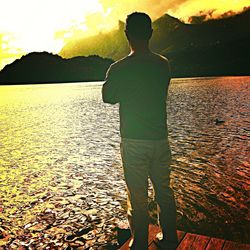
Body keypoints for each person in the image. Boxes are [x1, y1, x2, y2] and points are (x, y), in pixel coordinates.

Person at [102, 12, 178, 250]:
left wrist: (121, 82)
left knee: (137, 196)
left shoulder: (119, 68)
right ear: (151, 33)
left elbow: (108, 97)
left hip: (134, 141)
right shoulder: (163, 64)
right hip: (160, 139)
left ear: (127, 35)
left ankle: (140, 242)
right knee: (164, 191)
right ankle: (170, 237)